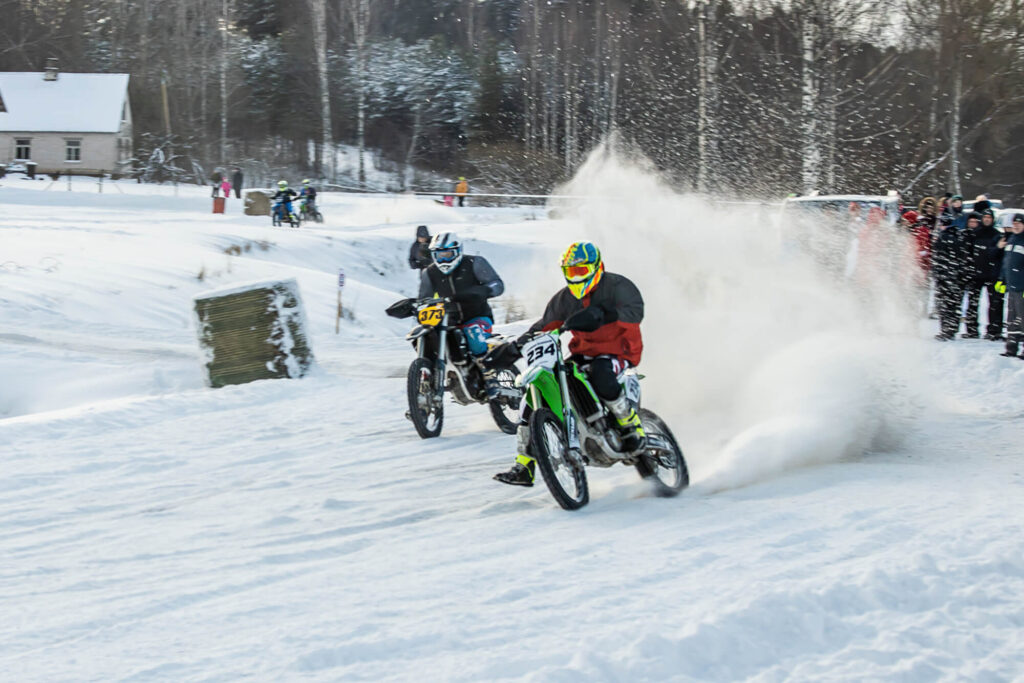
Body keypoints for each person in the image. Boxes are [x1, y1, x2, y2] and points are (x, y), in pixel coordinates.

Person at [489, 241, 645, 487]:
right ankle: (524, 465)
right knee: (538, 389)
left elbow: (635, 311)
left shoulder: (618, 286)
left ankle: (630, 425)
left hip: (619, 352)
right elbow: (545, 325)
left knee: (601, 373)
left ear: (596, 267)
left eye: (580, 271)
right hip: (583, 354)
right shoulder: (564, 299)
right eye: (570, 272)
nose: (575, 278)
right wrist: (512, 348)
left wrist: (604, 314)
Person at [418, 232, 505, 370]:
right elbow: (424, 298)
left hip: (477, 315)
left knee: (474, 337)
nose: (443, 260)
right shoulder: (429, 272)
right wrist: (416, 306)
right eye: (439, 255)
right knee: (429, 336)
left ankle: (490, 375)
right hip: (448, 320)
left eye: (448, 254)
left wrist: (480, 291)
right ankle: (429, 372)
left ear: (458, 251)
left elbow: (497, 285)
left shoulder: (474, 263)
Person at [963, 209, 1005, 340]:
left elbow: (999, 255)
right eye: (985, 217)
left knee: (995, 304)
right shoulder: (975, 234)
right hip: (976, 274)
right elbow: (968, 253)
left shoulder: (997, 235)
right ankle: (971, 330)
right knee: (973, 303)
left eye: (989, 217)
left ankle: (994, 330)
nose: (987, 219)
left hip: (992, 275)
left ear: (993, 219)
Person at [932, 212, 968, 340]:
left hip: (945, 276)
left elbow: (938, 258)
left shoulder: (943, 237)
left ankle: (946, 329)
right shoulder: (958, 236)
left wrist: (937, 273)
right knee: (954, 304)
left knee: (944, 304)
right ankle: (952, 328)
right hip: (955, 276)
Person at [995, 214, 1024, 358]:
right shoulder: (1011, 239)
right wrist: (1002, 279)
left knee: (1023, 319)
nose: (1016, 226)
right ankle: (1011, 348)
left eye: (1019, 223)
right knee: (1012, 320)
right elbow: (1006, 263)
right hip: (1012, 287)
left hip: (1022, 287)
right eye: (1015, 224)